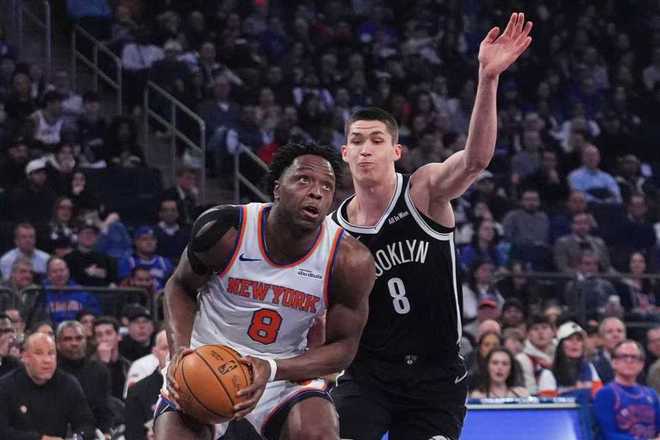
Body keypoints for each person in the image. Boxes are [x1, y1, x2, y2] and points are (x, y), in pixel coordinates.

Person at [330, 12, 533, 439]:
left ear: (397, 152)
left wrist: (488, 79)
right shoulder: (333, 230)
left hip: (435, 375)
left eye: (377, 140)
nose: (366, 150)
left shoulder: (423, 191)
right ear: (345, 153)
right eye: (357, 141)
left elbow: (475, 161)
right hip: (368, 373)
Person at [154, 142, 375, 440]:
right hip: (206, 357)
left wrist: (272, 369)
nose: (317, 192)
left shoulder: (349, 261)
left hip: (281, 370)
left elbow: (343, 348)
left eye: (327, 186)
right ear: (277, 189)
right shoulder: (226, 230)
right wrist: (180, 351)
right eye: (304, 180)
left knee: (318, 434)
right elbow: (180, 286)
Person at [0, 332, 96, 439]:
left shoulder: (68, 384)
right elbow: (2, 432)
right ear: (25, 357)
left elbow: (86, 423)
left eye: (51, 353)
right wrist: (39, 439)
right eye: (39, 353)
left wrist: (78, 438)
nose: (47, 360)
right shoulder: (5, 386)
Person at [594, 340, 660, 439]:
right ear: (614, 362)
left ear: (641, 364)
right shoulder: (606, 394)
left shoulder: (651, 394)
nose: (629, 361)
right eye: (624, 356)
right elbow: (609, 434)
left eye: (634, 357)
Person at [538, 321, 602, 403]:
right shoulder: (549, 374)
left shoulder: (589, 367)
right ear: (560, 345)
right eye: (569, 339)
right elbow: (547, 407)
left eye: (579, 339)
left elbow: (599, 398)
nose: (575, 343)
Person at [592, 317, 627, 384]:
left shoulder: (634, 361)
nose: (615, 335)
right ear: (601, 338)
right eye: (610, 332)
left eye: (619, 331)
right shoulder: (593, 363)